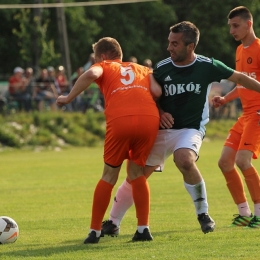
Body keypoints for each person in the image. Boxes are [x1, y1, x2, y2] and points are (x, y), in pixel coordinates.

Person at [101, 21, 260, 237]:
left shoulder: (207, 65)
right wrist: (160, 112)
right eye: (169, 42)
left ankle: (203, 214)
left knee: (184, 159)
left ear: (190, 46)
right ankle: (112, 222)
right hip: (161, 129)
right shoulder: (162, 67)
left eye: (175, 43)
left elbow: (240, 78)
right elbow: (148, 94)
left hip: (190, 129)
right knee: (137, 175)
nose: (169, 47)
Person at [56, 37, 162, 243]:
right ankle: (143, 229)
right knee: (137, 173)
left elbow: (91, 73)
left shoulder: (104, 65)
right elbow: (157, 91)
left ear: (103, 56)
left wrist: (68, 98)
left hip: (121, 120)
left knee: (109, 175)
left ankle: (95, 232)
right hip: (150, 120)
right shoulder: (142, 68)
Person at [212, 6, 260, 228]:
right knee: (224, 162)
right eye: (230, 26)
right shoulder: (240, 50)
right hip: (245, 115)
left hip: (258, 114)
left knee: (242, 160)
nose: (231, 30)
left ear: (248, 24)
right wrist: (225, 100)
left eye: (235, 25)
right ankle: (245, 213)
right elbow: (243, 84)